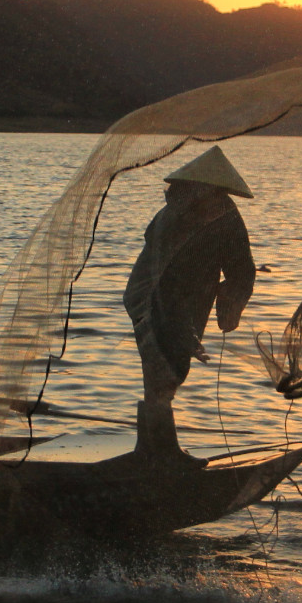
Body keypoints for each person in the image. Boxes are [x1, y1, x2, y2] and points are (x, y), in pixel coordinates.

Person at [123, 146, 257, 460]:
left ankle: (156, 448)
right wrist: (186, 332)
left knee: (168, 370)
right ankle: (158, 451)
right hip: (151, 299)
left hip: (182, 302)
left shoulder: (224, 218)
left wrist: (230, 303)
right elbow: (162, 275)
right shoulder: (171, 216)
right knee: (163, 369)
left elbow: (241, 269)